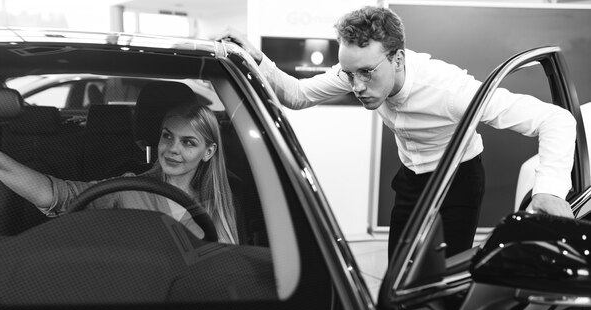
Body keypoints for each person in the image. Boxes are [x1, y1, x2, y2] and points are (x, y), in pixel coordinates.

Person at [218, 6, 576, 259]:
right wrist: (256, 60)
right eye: (349, 74)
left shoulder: (450, 90)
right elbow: (297, 96)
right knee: (399, 275)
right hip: (411, 177)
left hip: (458, 179)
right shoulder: (357, 69)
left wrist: (549, 192)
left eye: (366, 73)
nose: (356, 86)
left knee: (446, 279)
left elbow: (556, 120)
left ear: (398, 59)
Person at [0, 103, 239, 244]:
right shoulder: (131, 188)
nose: (172, 149)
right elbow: (54, 195)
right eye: (167, 136)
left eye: (188, 142)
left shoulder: (221, 205)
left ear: (208, 151)